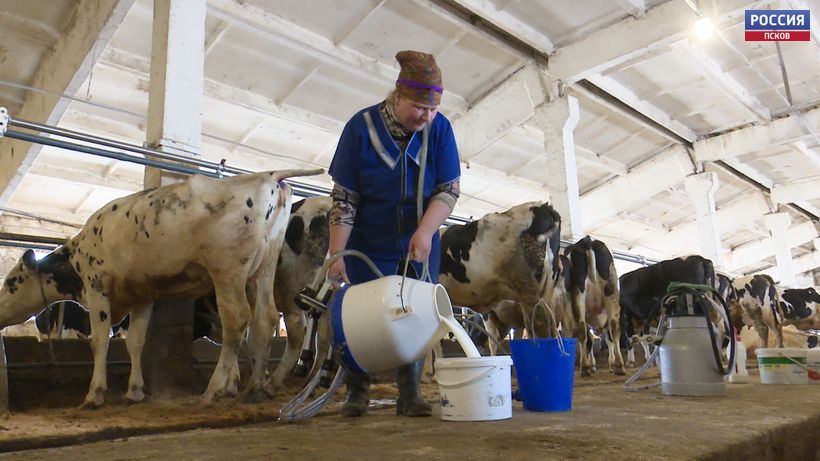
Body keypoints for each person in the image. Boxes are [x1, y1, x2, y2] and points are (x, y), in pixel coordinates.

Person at [327, 50, 461, 417]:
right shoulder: (361, 127)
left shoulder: (440, 129)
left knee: (415, 315)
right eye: (420, 107)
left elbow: (448, 188)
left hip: (419, 241)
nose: (427, 116)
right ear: (398, 96)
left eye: (433, 108)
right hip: (367, 241)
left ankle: (410, 391)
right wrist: (338, 253)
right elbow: (345, 196)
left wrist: (426, 231)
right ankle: (357, 392)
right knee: (358, 316)